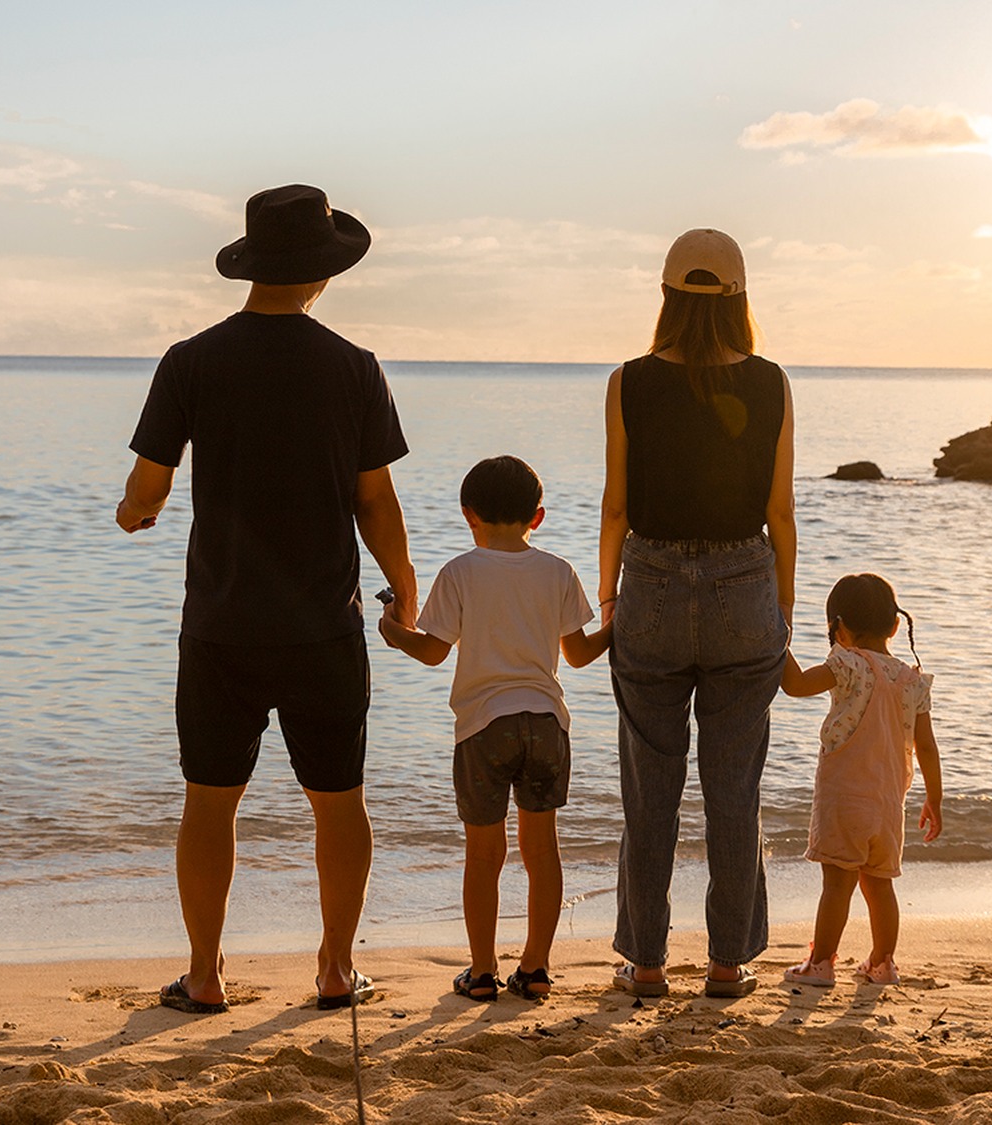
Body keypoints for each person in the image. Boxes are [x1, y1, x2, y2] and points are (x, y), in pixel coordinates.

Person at [115, 184, 417, 1014]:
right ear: (321, 273)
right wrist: (407, 581)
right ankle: (334, 968)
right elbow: (375, 501)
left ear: (251, 267)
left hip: (221, 623)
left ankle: (206, 974)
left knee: (211, 800)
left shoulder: (191, 359)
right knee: (339, 801)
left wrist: (133, 512)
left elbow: (149, 486)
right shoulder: (353, 366)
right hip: (325, 624)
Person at [600, 228, 796, 999]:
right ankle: (727, 962)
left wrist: (611, 598)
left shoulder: (627, 382)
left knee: (650, 786)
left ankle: (646, 963)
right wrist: (779, 609)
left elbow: (616, 505)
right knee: (733, 787)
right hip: (744, 582)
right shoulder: (773, 381)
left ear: (666, 297)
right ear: (741, 299)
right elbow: (779, 511)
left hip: (648, 580)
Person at [378, 456, 611, 1002]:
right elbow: (577, 654)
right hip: (547, 724)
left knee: (484, 853)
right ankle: (534, 968)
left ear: (468, 515)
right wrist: (616, 627)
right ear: (539, 517)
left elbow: (434, 652)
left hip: (484, 727)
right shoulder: (557, 570)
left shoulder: (460, 571)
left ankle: (482, 971)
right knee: (542, 849)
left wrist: (395, 633)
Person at [779, 573, 942, 988]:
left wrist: (775, 635)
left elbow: (795, 685)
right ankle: (882, 963)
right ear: (893, 626)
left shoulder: (847, 664)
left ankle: (820, 964)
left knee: (837, 884)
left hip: (844, 797)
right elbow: (927, 747)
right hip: (889, 803)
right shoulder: (912, 680)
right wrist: (934, 801)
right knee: (880, 885)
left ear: (840, 628)